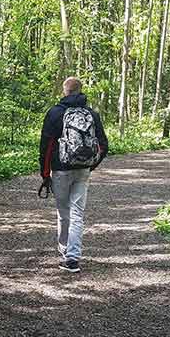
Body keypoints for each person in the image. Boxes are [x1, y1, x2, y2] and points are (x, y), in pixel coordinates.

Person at [39, 77, 108, 273]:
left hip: (61, 169)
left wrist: (45, 174)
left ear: (65, 91)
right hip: (83, 170)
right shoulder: (91, 114)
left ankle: (64, 250)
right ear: (80, 91)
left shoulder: (54, 113)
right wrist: (91, 165)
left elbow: (46, 146)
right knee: (78, 213)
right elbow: (103, 145)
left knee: (64, 212)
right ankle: (73, 258)